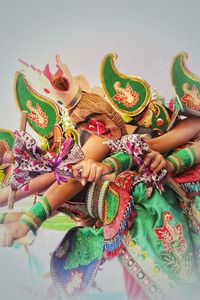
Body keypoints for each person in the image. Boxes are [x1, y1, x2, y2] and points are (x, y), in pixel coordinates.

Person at [0, 56, 200, 299]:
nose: (94, 127)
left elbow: (189, 126)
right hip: (140, 230)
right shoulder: (94, 145)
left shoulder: (143, 116)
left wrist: (157, 151)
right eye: (83, 125)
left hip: (177, 203)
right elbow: (68, 179)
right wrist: (29, 218)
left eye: (94, 117)